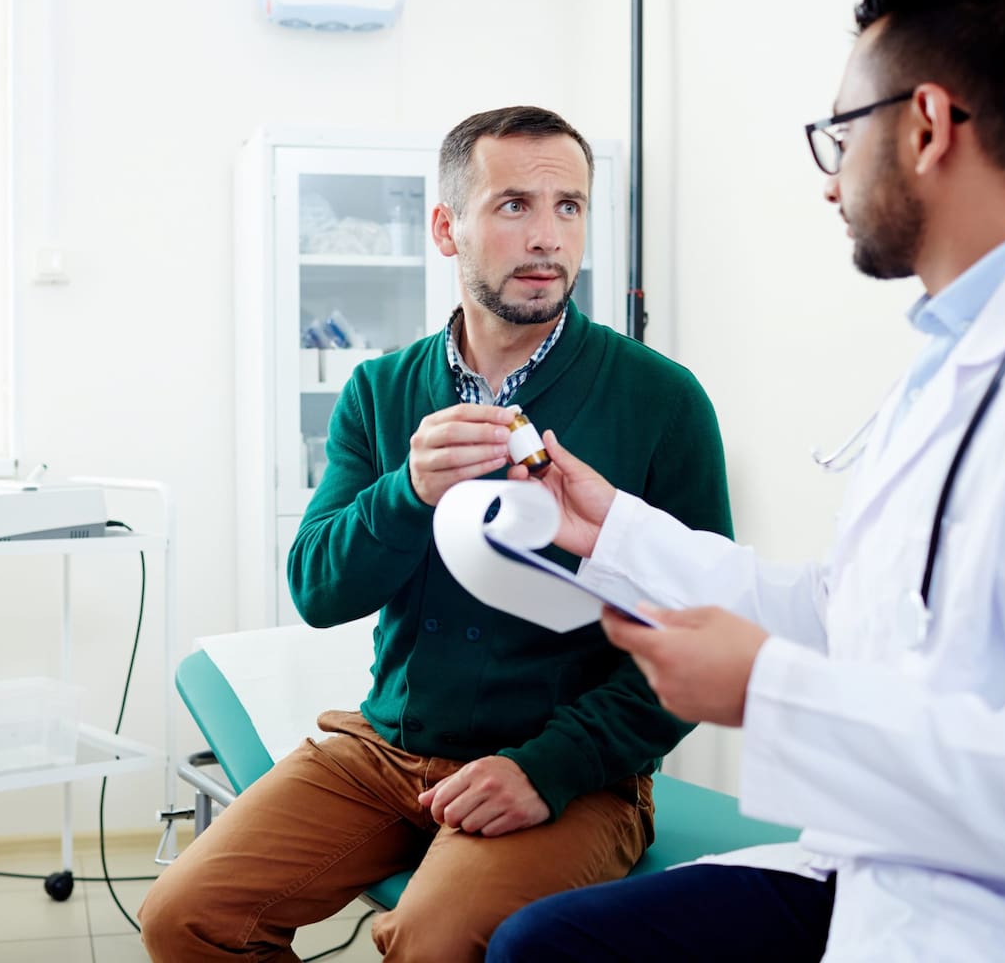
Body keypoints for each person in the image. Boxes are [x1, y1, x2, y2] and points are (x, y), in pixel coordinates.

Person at [487, 0, 1005, 960]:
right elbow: (847, 611)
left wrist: (772, 695)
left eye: (841, 134)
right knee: (545, 946)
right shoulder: (954, 352)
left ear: (927, 125)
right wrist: (613, 531)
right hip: (885, 869)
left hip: (1004, 922)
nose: (829, 177)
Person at [138, 105, 734, 961]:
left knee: (430, 938)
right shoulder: (381, 392)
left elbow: (699, 634)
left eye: (569, 208)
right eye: (514, 205)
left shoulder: (661, 401)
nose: (547, 237)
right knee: (184, 915)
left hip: (570, 768)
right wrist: (408, 491)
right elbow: (316, 588)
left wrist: (551, 768)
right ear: (447, 228)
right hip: (386, 750)